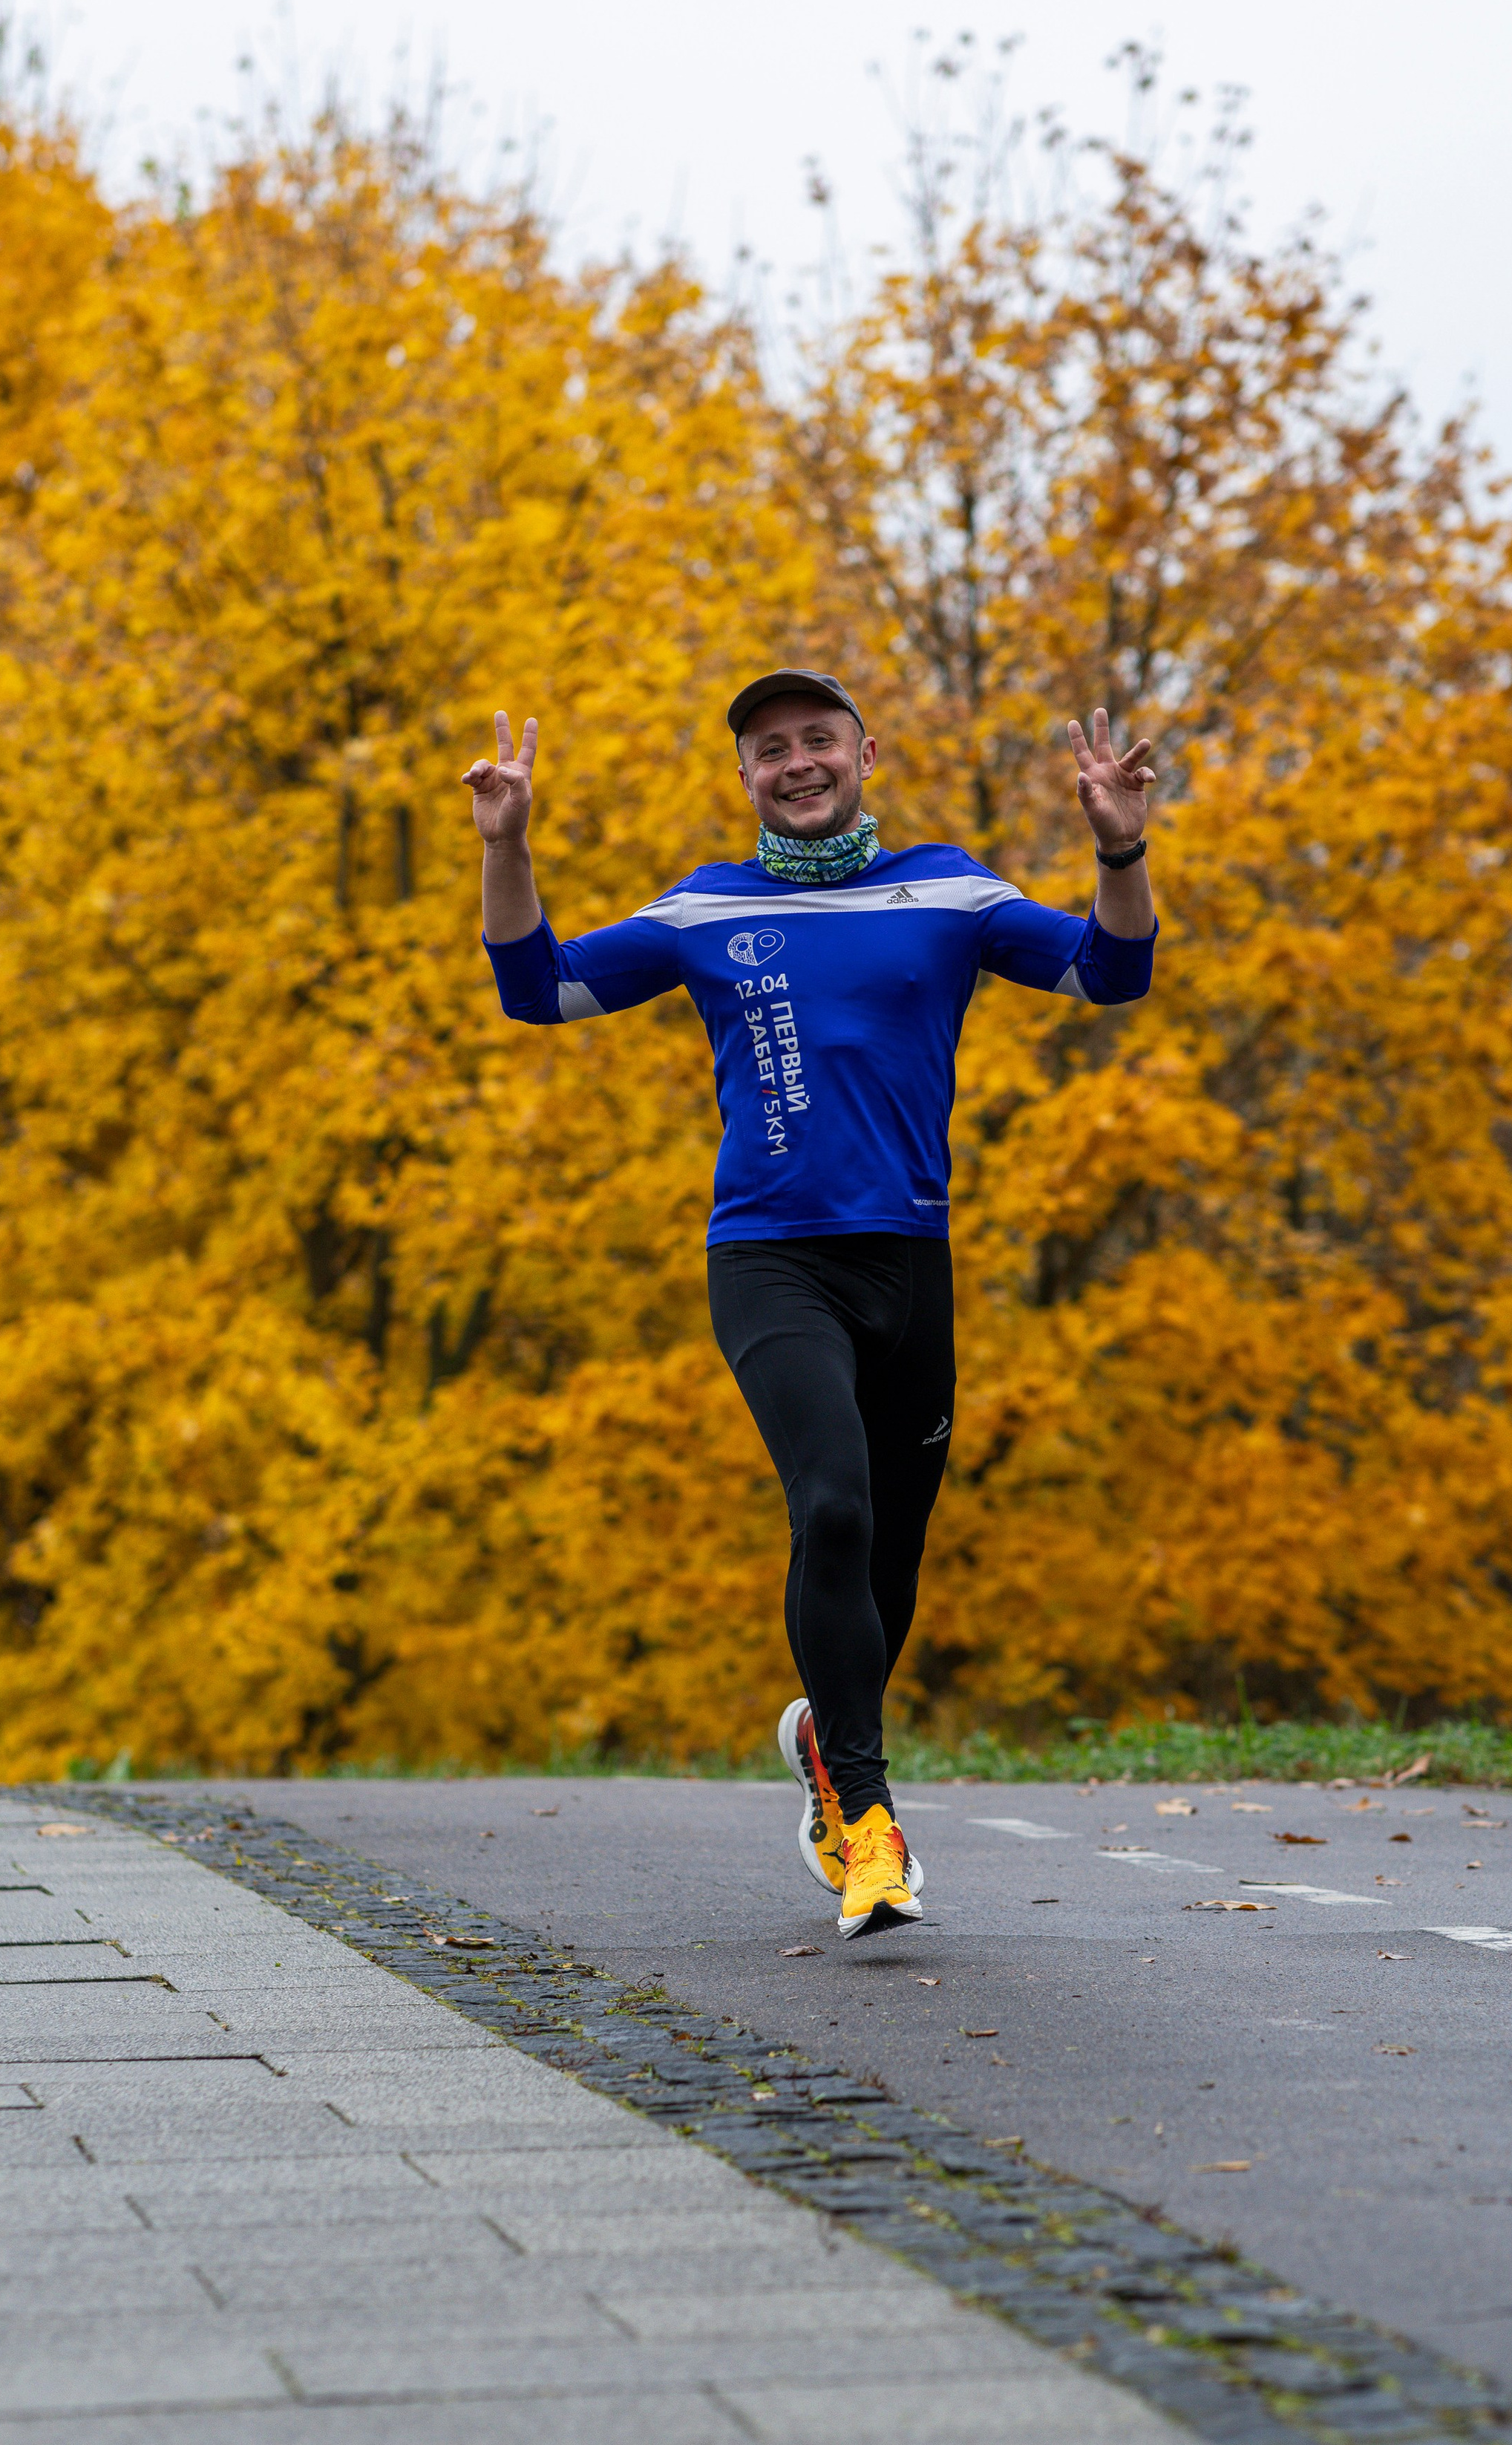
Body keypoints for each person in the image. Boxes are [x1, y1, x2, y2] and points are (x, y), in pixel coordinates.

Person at [469, 670, 1156, 1938]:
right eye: (770, 748)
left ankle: (821, 1740)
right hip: (771, 1257)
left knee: (886, 1563)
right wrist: (507, 849)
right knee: (828, 1500)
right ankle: (867, 1823)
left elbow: (1112, 972)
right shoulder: (704, 907)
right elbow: (538, 988)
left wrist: (1121, 845)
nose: (797, 762)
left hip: (912, 1263)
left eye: (817, 741)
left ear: (865, 754)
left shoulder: (950, 889)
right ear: (744, 777)